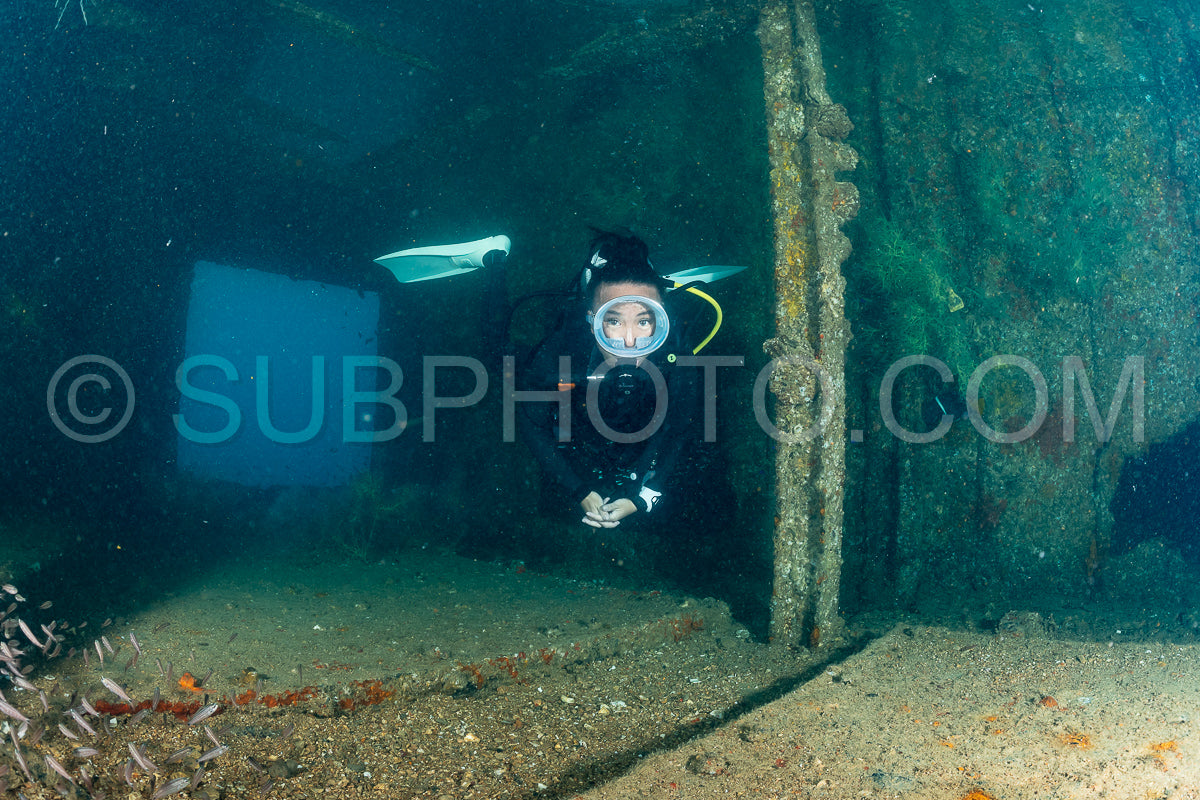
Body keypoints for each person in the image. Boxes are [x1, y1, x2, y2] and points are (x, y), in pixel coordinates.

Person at [518, 230, 702, 529]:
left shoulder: (676, 354)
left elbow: (678, 429)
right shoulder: (561, 350)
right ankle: (494, 261)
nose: (630, 341)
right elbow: (530, 423)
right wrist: (577, 489)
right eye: (614, 321)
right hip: (577, 420)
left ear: (661, 321)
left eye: (644, 321)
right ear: (592, 322)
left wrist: (643, 496)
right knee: (496, 353)